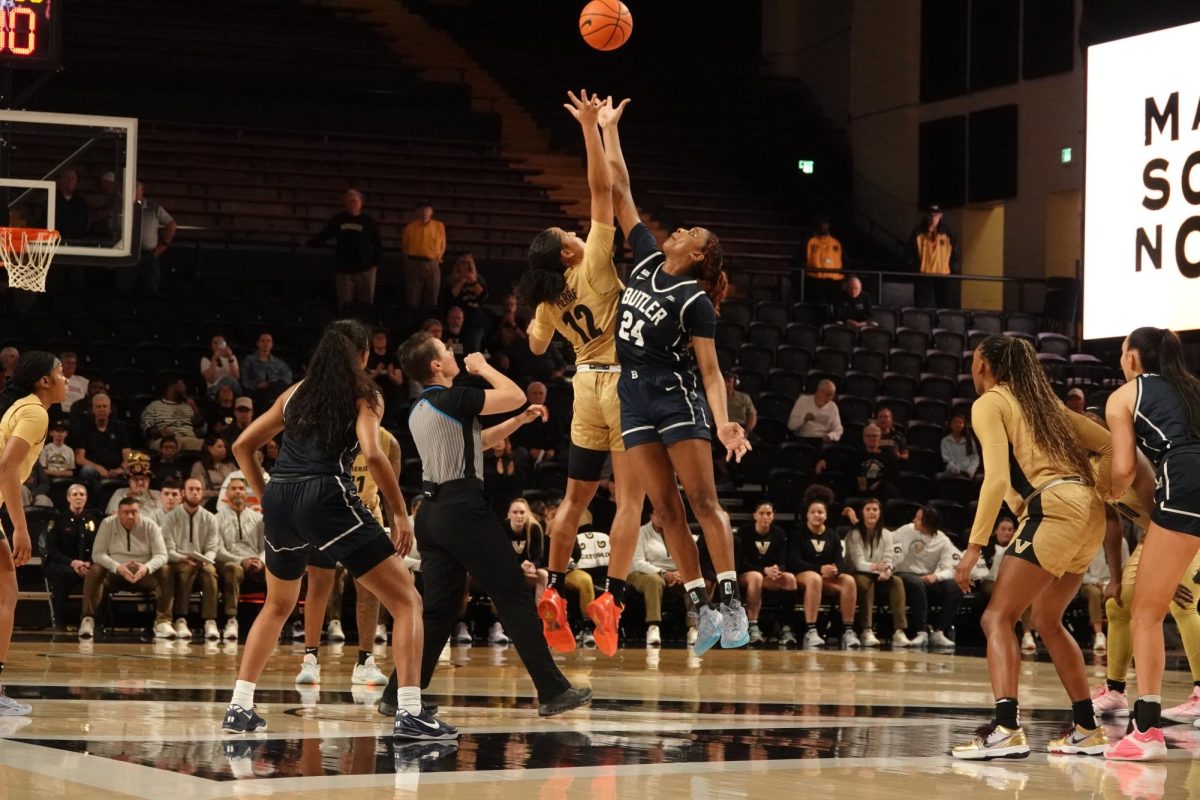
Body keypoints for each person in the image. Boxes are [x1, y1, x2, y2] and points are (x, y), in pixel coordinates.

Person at [220, 320, 455, 740]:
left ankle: (239, 706)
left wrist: (269, 497)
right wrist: (400, 513)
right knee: (407, 601)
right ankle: (411, 712)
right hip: (326, 494)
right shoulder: (365, 394)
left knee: (277, 606)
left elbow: (242, 446)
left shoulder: (296, 392)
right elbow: (373, 453)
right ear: (363, 356)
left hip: (280, 497)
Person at [604, 93, 753, 655]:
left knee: (703, 503)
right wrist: (607, 129)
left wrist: (724, 424)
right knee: (663, 509)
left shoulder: (695, 300)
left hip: (676, 400)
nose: (681, 229)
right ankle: (700, 606)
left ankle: (733, 601)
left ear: (697, 255)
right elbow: (621, 192)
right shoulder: (643, 259)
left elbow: (712, 373)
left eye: (692, 231)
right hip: (632, 397)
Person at [384, 332, 591, 718]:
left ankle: (397, 693)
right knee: (513, 594)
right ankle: (552, 690)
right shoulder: (455, 396)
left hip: (431, 515)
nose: (452, 352)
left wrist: (519, 420)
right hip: (463, 509)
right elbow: (515, 393)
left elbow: (473, 443)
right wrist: (482, 368)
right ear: (435, 365)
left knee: (440, 611)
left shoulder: (420, 409)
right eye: (446, 350)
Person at [514, 91, 643, 657]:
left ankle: (554, 588)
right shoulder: (591, 259)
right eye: (568, 235)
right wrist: (593, 129)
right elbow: (602, 190)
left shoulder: (548, 300)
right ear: (568, 253)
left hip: (583, 386)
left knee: (572, 501)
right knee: (630, 501)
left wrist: (545, 319)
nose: (574, 231)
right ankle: (610, 598)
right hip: (623, 382)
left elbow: (537, 341)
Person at [952, 334, 1113, 760]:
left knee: (997, 617)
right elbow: (1111, 445)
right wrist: (1103, 491)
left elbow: (997, 479)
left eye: (974, 361)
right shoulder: (1046, 403)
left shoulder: (990, 401)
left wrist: (974, 546)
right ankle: (1087, 728)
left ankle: (1005, 728)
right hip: (1089, 511)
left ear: (984, 365)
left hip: (1052, 507)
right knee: (1047, 618)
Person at [1101, 327, 1200, 760]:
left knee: (1144, 611)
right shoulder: (1194, 388)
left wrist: (1105, 491)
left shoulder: (1125, 396)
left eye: (1124, 353)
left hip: (1184, 482)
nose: (1122, 360)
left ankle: (1146, 730)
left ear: (1135, 359)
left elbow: (1123, 468)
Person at [296, 426, 401, 688]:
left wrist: (397, 523)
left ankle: (365, 661)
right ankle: (310, 658)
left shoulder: (389, 443)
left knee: (370, 588)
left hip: (366, 517)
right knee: (320, 583)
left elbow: (391, 490)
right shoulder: (329, 433)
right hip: (327, 513)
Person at [0, 352, 67, 714]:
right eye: (61, 373)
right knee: (5, 595)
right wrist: (21, 529)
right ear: (44, 380)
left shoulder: (21, 407)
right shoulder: (35, 412)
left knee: (5, 588)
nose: (67, 379)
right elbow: (6, 467)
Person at [80, 497, 175, 640]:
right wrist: (117, 567)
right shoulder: (107, 524)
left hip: (143, 574)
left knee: (166, 570)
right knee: (95, 570)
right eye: (126, 512)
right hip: (115, 573)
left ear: (140, 512)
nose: (130, 516)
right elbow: (97, 554)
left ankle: (163, 621)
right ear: (118, 513)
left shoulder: (150, 525)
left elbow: (162, 555)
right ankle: (88, 619)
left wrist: (146, 568)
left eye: (134, 512)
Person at [788, 494, 859, 649]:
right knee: (814, 578)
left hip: (826, 578)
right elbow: (794, 562)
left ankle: (848, 631)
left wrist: (836, 569)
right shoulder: (798, 533)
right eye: (813, 512)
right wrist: (819, 569)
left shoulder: (832, 534)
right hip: (803, 575)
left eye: (820, 512)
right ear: (807, 514)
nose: (816, 515)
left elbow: (840, 560)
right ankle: (811, 630)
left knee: (848, 581)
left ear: (825, 515)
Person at [893, 506, 967, 649]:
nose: (914, 520)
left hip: (927, 577)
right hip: (904, 573)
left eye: (918, 518)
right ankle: (921, 631)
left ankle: (938, 631)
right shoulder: (907, 530)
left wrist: (936, 577)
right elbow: (886, 538)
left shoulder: (942, 540)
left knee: (957, 587)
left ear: (928, 523)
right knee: (916, 584)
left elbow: (950, 569)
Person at [160, 477, 221, 641]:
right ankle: (181, 618)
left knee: (210, 573)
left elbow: (212, 547)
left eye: (198, 490)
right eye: (191, 489)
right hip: (179, 561)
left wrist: (206, 560)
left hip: (202, 561)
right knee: (186, 570)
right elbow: (167, 548)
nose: (195, 493)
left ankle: (210, 620)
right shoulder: (171, 517)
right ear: (183, 493)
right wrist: (182, 558)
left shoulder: (210, 518)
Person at [844, 498, 908, 648]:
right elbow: (857, 563)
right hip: (858, 573)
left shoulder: (886, 534)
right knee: (866, 582)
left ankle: (899, 631)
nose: (872, 512)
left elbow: (889, 558)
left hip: (878, 573)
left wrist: (887, 570)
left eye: (875, 509)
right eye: (868, 509)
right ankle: (866, 630)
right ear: (862, 513)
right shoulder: (854, 534)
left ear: (880, 513)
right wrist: (875, 567)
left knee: (897, 582)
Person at [307, 189, 383, 308]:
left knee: (365, 306)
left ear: (361, 203)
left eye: (355, 201)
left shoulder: (369, 222)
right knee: (344, 306)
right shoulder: (338, 219)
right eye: (349, 201)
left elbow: (377, 243)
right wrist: (308, 243)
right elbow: (325, 235)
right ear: (345, 204)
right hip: (344, 271)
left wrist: (374, 264)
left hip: (365, 270)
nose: (352, 204)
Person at [735, 502, 796, 647]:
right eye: (761, 513)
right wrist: (764, 570)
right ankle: (753, 626)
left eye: (768, 513)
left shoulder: (778, 533)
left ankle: (786, 627)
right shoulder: (744, 532)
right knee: (756, 577)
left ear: (773, 516)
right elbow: (741, 563)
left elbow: (783, 561)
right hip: (746, 575)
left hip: (768, 576)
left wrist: (776, 569)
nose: (765, 517)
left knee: (790, 579)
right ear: (754, 515)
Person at [42, 483, 101, 630]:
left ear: (86, 498)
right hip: (61, 563)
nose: (78, 497)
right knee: (66, 574)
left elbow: (99, 547)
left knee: (99, 573)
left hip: (87, 564)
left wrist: (88, 563)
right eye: (75, 494)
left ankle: (96, 621)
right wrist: (73, 563)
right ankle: (60, 620)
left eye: (82, 494)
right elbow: (52, 550)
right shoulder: (58, 520)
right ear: (68, 498)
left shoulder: (93, 521)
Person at [215, 477, 265, 642]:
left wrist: (260, 561)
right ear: (227, 493)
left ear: (246, 493)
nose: (237, 491)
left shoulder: (258, 519)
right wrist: (241, 560)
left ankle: (272, 623)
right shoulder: (217, 518)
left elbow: (264, 548)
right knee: (232, 568)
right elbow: (218, 550)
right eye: (233, 488)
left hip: (254, 562)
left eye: (241, 489)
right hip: (230, 562)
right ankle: (231, 619)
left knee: (275, 571)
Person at [116, 181, 175, 294]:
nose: (131, 193)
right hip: (127, 254)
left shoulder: (153, 207)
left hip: (148, 256)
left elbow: (171, 224)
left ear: (142, 191)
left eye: (135, 190)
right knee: (123, 288)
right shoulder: (122, 208)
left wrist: (163, 246)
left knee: (150, 290)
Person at [909, 204, 958, 308]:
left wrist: (953, 268)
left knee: (944, 307)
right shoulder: (918, 232)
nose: (933, 218)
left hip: (943, 275)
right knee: (921, 307)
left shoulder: (948, 233)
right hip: (923, 275)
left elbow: (955, 253)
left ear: (941, 216)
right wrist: (916, 268)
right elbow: (910, 253)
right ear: (927, 216)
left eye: (935, 215)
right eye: (931, 215)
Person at [401, 201, 446, 310]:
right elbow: (405, 245)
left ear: (431, 212)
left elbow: (442, 244)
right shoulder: (410, 227)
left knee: (432, 296)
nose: (425, 212)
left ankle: (430, 320)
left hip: (432, 263)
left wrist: (437, 259)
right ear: (417, 212)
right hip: (414, 262)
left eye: (428, 209)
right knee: (412, 296)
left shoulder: (439, 226)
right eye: (422, 209)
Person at [141, 377, 205, 453]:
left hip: (189, 439)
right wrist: (160, 432)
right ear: (172, 387)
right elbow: (145, 429)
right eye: (181, 384)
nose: (185, 388)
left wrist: (195, 409)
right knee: (173, 444)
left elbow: (201, 431)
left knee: (209, 446)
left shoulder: (188, 406)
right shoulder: (154, 406)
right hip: (165, 440)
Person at [442, 254, 488, 352]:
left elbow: (483, 296)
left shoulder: (479, 280)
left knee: (472, 351)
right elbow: (450, 297)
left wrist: (473, 281)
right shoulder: (451, 280)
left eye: (468, 263)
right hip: (456, 320)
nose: (466, 266)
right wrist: (462, 280)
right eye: (463, 263)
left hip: (474, 321)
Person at [241, 333, 293, 410]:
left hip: (275, 388)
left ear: (272, 344)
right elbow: (245, 379)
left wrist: (273, 382)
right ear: (258, 343)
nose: (266, 343)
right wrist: (256, 385)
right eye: (263, 341)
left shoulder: (278, 362)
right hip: (258, 390)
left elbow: (288, 376)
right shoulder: (249, 360)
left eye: (268, 341)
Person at [804, 216, 843, 304]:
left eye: (825, 224)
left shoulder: (836, 242)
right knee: (818, 306)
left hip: (834, 280)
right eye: (821, 224)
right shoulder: (810, 241)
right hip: (815, 279)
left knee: (834, 306)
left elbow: (843, 260)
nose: (823, 226)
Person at [191, 435, 236, 506]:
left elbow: (241, 483)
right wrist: (221, 493)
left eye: (225, 447)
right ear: (209, 448)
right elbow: (199, 491)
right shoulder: (199, 466)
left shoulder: (230, 465)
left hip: (231, 499)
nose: (224, 449)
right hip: (209, 502)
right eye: (220, 447)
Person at [940, 413, 979, 478]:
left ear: (964, 425)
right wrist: (956, 470)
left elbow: (975, 459)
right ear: (951, 425)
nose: (957, 425)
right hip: (951, 473)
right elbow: (946, 459)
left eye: (960, 422)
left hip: (968, 473)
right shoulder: (945, 441)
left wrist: (970, 471)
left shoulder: (969, 441)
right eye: (955, 422)